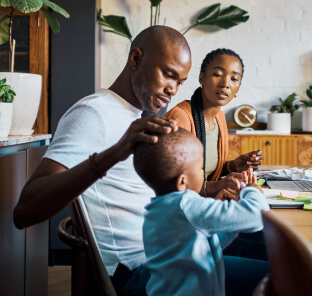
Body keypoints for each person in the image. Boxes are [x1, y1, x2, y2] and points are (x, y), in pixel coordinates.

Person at [13, 25, 192, 295]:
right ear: (136, 59)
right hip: (136, 274)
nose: (173, 89)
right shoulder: (93, 113)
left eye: (179, 81)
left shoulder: (132, 117)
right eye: (168, 74)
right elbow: (24, 211)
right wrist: (113, 154)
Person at [133, 128, 270, 296]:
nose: (202, 173)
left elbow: (203, 245)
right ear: (182, 180)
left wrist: (231, 220)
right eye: (200, 169)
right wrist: (253, 191)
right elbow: (257, 216)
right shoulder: (187, 205)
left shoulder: (157, 209)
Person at [165, 48, 264, 198]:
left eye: (234, 79)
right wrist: (219, 186)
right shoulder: (180, 118)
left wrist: (232, 167)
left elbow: (206, 172)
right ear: (202, 78)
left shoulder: (219, 117)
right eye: (218, 74)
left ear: (237, 89)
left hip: (207, 202)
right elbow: (170, 184)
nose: (225, 84)